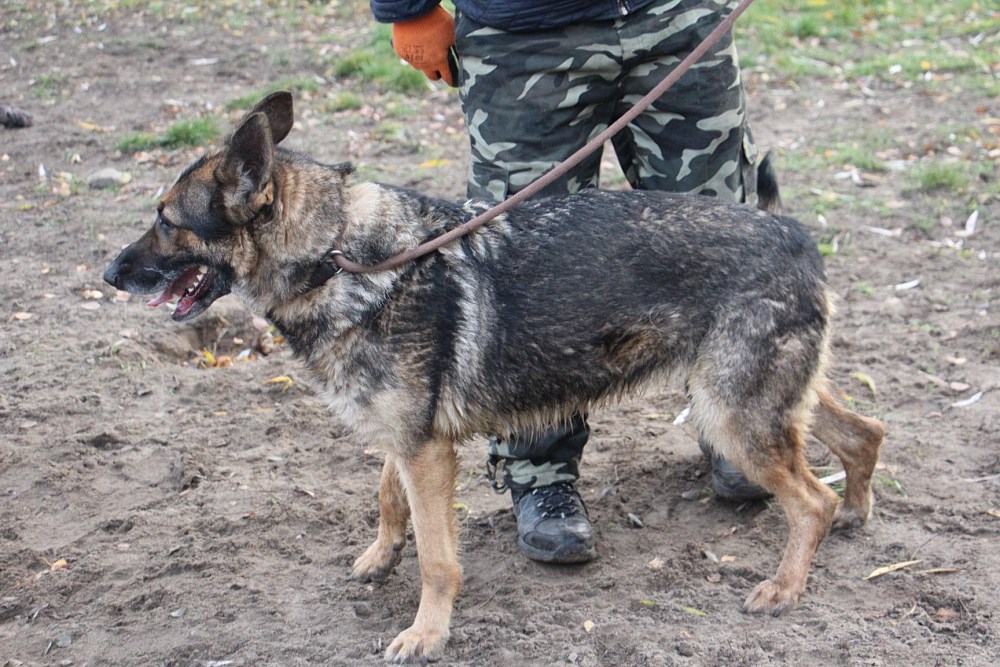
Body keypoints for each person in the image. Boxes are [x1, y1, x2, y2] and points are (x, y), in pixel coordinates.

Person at [370, 0, 770, 565]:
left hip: (678, 16)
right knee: (520, 272)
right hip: (525, 34)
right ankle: (539, 474)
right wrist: (406, 9)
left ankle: (741, 431)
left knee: (721, 237)